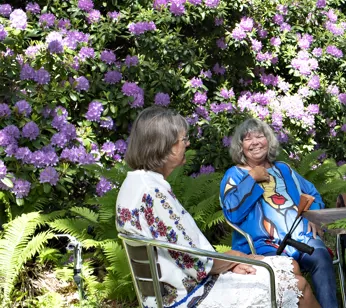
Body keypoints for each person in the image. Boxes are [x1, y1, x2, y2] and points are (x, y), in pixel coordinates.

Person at [116, 106, 320, 308]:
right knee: (298, 286)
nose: (187, 144)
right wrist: (235, 258)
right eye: (183, 139)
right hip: (190, 296)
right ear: (166, 146)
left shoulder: (136, 184)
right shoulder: (153, 192)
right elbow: (195, 261)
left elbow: (182, 253)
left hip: (177, 286)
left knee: (290, 266)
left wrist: (231, 261)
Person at [219, 118, 338, 308]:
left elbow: (312, 194)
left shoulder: (284, 169)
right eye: (248, 139)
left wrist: (314, 215)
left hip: (301, 237)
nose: (255, 142)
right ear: (241, 147)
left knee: (321, 258)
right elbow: (232, 212)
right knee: (287, 270)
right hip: (263, 244)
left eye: (260, 136)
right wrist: (252, 178)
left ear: (268, 140)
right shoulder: (234, 175)